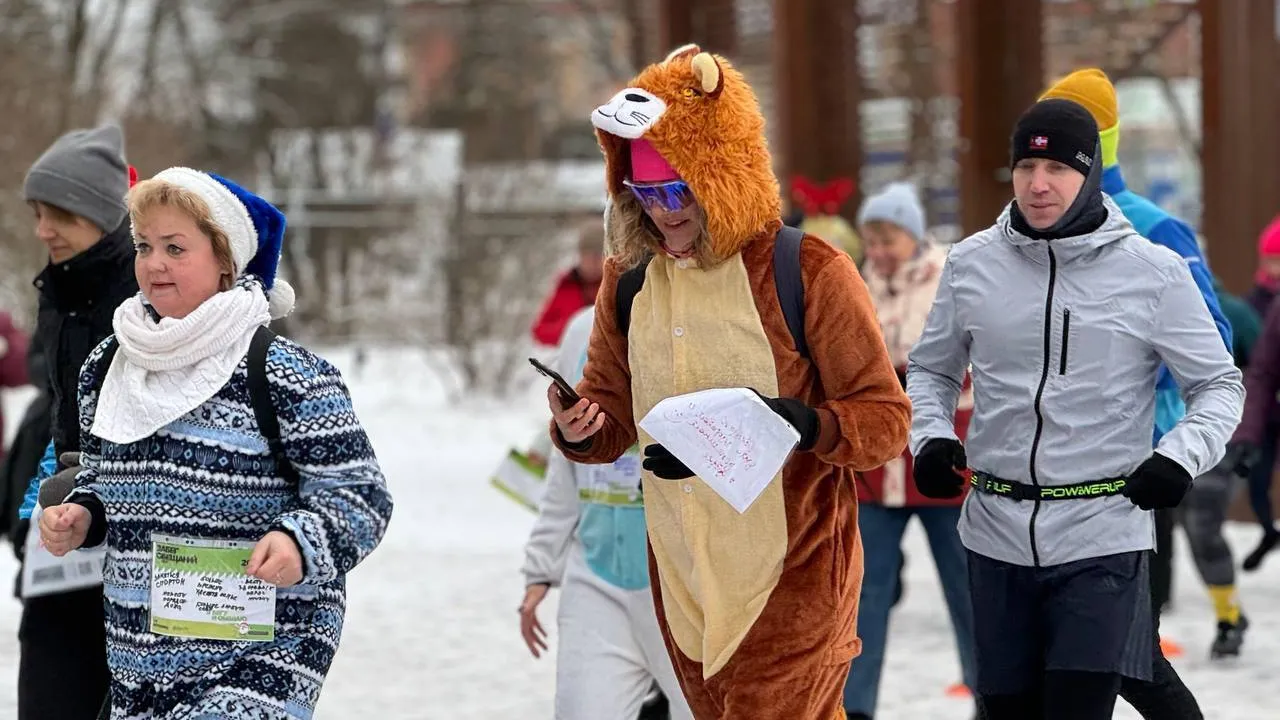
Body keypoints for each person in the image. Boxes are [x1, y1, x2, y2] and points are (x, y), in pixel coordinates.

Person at [548, 44, 911, 719]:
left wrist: (807, 424)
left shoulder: (808, 272)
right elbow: (609, 410)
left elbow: (885, 419)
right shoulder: (629, 278)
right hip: (683, 589)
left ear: (721, 173)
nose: (664, 212)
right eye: (645, 192)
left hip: (792, 584)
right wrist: (583, 427)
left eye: (679, 189)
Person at [907, 98, 1243, 720]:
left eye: (1060, 169)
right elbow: (931, 369)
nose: (1039, 185)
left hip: (1103, 531)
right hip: (994, 533)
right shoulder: (971, 263)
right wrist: (928, 437)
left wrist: (1178, 458)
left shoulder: (1154, 271)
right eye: (1026, 169)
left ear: (1090, 175)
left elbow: (1220, 384)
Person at [38, 166, 393, 719]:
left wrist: (300, 541)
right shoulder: (108, 366)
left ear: (226, 260)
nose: (154, 263)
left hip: (261, 658)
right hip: (140, 663)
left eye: (175, 248)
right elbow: (103, 476)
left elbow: (359, 497)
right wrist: (85, 514)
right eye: (144, 245)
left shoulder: (284, 374)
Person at [1039, 67, 1234, 717]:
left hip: (1129, 470)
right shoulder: (1029, 230)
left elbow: (1211, 346)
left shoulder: (1155, 229)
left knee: (1120, 656)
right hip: (1043, 474)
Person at [15, 123, 139, 720]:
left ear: (100, 212)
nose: (43, 230)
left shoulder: (147, 291)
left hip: (138, 542)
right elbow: (58, 419)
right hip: (66, 532)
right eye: (38, 213)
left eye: (58, 213)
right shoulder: (59, 289)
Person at [844, 182, 977, 720]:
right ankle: (853, 706)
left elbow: (971, 359)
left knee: (968, 590)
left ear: (913, 235)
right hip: (874, 466)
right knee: (862, 594)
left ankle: (989, 695)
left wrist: (910, 380)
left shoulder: (952, 278)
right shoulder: (852, 282)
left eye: (887, 240)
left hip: (940, 457)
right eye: (871, 240)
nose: (877, 251)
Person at [520, 303, 691, 720]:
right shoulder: (582, 327)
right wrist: (541, 568)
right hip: (596, 581)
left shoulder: (693, 313)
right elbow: (564, 465)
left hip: (683, 587)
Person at [1171, 275, 1260, 659]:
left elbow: (1263, 372)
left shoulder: (1235, 313)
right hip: (1170, 435)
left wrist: (1254, 435)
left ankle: (1227, 621)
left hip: (1226, 436)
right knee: (1191, 530)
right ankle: (1231, 614)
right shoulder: (1148, 303)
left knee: (1203, 525)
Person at [1236, 216, 1280, 569]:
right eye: (1271, 259)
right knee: (1257, 481)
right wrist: (1246, 431)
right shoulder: (1257, 302)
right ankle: (1268, 531)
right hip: (1267, 413)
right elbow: (1261, 371)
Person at [530, 219, 606, 347]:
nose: (592, 262)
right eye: (587, 255)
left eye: (598, 256)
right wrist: (572, 328)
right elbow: (539, 330)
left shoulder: (615, 287)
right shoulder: (566, 285)